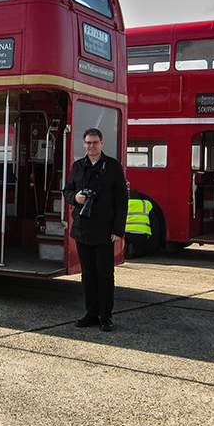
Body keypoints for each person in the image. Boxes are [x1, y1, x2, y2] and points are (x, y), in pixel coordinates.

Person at [63, 128, 129, 331]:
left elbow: (121, 200)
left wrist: (118, 230)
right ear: (83, 144)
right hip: (83, 230)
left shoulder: (113, 167)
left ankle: (105, 317)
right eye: (88, 143)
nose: (91, 146)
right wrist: (76, 197)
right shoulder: (77, 166)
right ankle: (90, 314)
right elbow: (67, 190)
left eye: (95, 142)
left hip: (105, 231)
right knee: (88, 275)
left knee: (105, 275)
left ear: (102, 143)